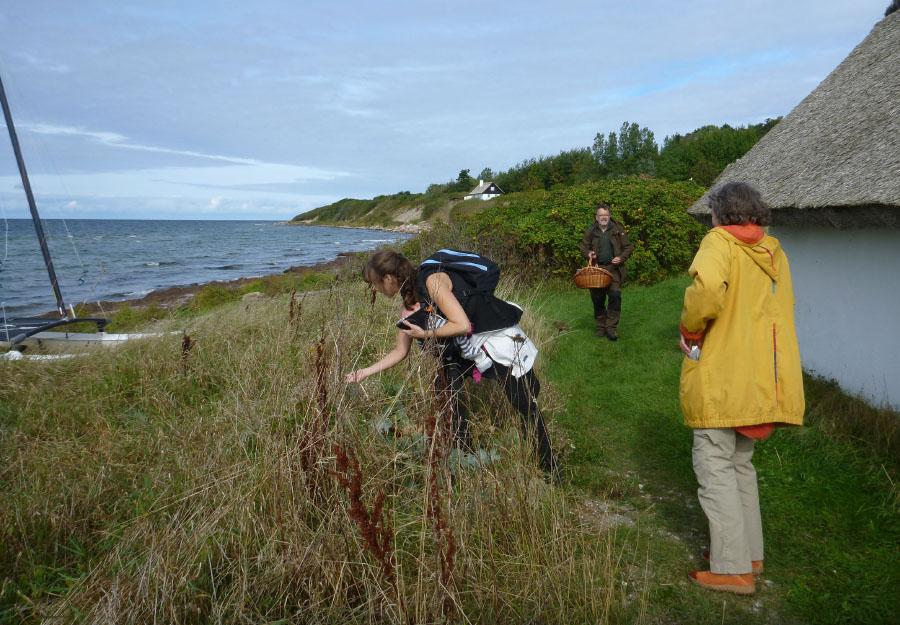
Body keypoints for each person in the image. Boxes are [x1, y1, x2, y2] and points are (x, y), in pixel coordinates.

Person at [678, 182, 804, 595]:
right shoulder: (773, 250)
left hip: (724, 373)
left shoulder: (718, 242)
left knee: (714, 467)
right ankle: (749, 554)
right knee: (739, 465)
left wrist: (690, 331)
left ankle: (733, 569)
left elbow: (707, 293)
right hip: (759, 377)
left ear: (720, 213)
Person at [345, 250, 559, 477]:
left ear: (388, 278)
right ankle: (464, 457)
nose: (375, 289)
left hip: (497, 343)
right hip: (467, 353)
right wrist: (364, 372)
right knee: (446, 390)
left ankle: (550, 469)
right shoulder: (409, 306)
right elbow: (400, 351)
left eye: (375, 283)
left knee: (525, 405)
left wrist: (426, 333)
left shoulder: (433, 280)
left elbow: (462, 325)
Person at [580, 202, 634, 340]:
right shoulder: (590, 231)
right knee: (597, 299)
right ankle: (600, 327)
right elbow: (583, 249)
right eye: (601, 215)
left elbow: (628, 247)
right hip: (597, 270)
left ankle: (611, 328)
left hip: (614, 269)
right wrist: (589, 254)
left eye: (606, 215)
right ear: (596, 217)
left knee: (615, 297)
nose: (604, 217)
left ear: (609, 216)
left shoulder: (618, 229)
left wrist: (621, 258)